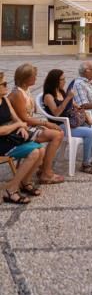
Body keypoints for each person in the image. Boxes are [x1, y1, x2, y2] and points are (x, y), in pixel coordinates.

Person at [9, 63, 65, 184]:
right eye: (34, 76)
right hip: (19, 130)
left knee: (58, 132)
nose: (36, 78)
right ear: (25, 78)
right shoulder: (17, 94)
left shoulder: (25, 90)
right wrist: (46, 123)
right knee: (57, 134)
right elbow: (25, 118)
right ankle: (46, 172)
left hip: (28, 126)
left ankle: (44, 168)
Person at [43, 69, 92, 174]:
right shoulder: (48, 96)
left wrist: (79, 109)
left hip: (70, 123)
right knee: (90, 132)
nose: (64, 81)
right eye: (62, 80)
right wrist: (68, 98)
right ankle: (85, 164)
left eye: (64, 79)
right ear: (55, 81)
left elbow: (73, 105)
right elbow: (56, 113)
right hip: (59, 126)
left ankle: (89, 159)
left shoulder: (61, 92)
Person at [0, 72, 45, 204]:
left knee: (41, 149)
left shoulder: (5, 100)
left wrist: (21, 126)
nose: (6, 86)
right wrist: (18, 125)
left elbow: (16, 119)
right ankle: (11, 190)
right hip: (2, 142)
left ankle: (25, 182)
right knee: (34, 152)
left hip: (9, 138)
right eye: (3, 84)